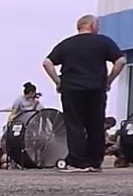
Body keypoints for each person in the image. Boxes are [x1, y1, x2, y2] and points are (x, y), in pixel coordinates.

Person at [43, 15, 126, 173]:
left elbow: (47, 63)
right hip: (96, 88)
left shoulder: (66, 44)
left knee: (75, 125)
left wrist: (58, 82)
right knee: (95, 124)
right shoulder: (103, 41)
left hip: (71, 89)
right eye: (98, 25)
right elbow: (120, 61)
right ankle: (95, 162)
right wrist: (109, 80)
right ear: (92, 25)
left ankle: (77, 162)